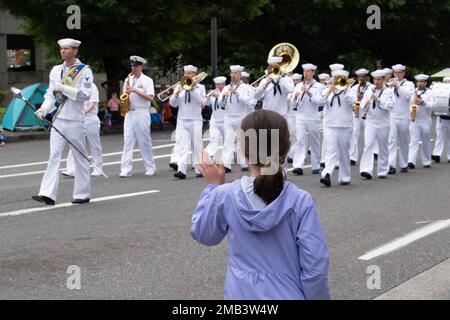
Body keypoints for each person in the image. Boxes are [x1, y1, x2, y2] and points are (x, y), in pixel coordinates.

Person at [191, 109, 330, 300]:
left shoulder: (226, 195)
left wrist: (213, 188)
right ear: (287, 146)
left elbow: (204, 235)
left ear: (243, 147)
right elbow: (315, 268)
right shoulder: (300, 200)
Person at [32, 38, 93, 205]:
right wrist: (44, 108)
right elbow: (51, 94)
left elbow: (85, 94)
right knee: (54, 156)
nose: (63, 51)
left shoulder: (84, 71)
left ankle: (82, 193)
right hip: (58, 119)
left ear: (75, 51)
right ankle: (47, 194)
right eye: (61, 49)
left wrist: (64, 88)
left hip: (75, 120)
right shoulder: (56, 70)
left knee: (78, 156)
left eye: (67, 49)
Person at [119, 56, 156, 177]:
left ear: (141, 67)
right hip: (130, 112)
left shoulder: (147, 80)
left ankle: (150, 167)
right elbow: (124, 95)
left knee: (144, 141)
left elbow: (150, 97)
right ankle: (126, 169)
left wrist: (135, 90)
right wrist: (125, 100)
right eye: (132, 66)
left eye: (135, 66)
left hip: (142, 112)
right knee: (127, 141)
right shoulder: (127, 79)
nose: (133, 68)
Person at [169, 65, 206, 179]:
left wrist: (192, 88)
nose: (187, 75)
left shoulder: (200, 87)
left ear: (195, 75)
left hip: (195, 120)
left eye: (189, 73)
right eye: (185, 73)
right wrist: (176, 93)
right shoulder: (179, 86)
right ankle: (182, 170)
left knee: (197, 145)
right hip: (182, 120)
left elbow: (202, 101)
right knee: (181, 145)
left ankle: (199, 169)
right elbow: (172, 104)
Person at [319, 69, 355, 187]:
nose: (337, 80)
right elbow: (318, 102)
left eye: (340, 78)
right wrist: (328, 92)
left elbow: (354, 102)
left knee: (344, 153)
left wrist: (345, 90)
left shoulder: (350, 91)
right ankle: (326, 174)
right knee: (331, 151)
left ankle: (345, 177)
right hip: (330, 125)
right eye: (335, 78)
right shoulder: (327, 90)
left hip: (345, 126)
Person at [360, 70, 395, 179]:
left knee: (383, 147)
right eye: (375, 79)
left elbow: (390, 106)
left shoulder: (388, 91)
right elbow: (361, 105)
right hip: (370, 121)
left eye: (379, 79)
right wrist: (364, 103)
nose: (376, 82)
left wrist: (378, 99)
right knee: (368, 145)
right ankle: (366, 170)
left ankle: (383, 170)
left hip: (383, 122)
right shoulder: (369, 91)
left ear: (383, 80)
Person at [63, 83, 103, 178]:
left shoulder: (92, 86)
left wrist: (81, 112)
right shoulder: (75, 86)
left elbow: (92, 104)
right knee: (74, 142)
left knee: (94, 145)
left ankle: (98, 168)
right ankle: (72, 169)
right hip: (78, 119)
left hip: (90, 118)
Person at [219, 65, 255, 173]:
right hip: (228, 117)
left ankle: (244, 162)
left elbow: (249, 102)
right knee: (228, 141)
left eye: (235, 73)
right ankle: (226, 164)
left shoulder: (246, 88)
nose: (233, 75)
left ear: (240, 75)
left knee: (241, 141)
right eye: (232, 73)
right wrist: (223, 96)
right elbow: (221, 104)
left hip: (241, 116)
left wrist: (237, 93)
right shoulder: (226, 88)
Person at [291, 63, 323, 175]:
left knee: (314, 142)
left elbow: (320, 102)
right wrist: (295, 97)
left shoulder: (319, 86)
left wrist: (309, 93)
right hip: (300, 116)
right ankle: (298, 166)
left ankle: (316, 165)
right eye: (305, 71)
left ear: (313, 73)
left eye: (309, 71)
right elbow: (293, 104)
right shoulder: (298, 85)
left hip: (313, 117)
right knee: (299, 141)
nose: (306, 73)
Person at [387, 64, 415, 174]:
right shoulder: (389, 83)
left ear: (403, 73)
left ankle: (404, 164)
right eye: (395, 72)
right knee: (391, 141)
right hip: (392, 116)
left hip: (404, 116)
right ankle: (391, 165)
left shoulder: (409, 84)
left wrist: (397, 86)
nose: (397, 74)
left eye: (399, 72)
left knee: (403, 141)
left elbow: (409, 96)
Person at [407, 74, 436, 169]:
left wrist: (423, 103)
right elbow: (408, 104)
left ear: (426, 83)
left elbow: (434, 105)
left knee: (425, 140)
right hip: (414, 119)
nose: (420, 83)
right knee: (414, 140)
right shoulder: (413, 92)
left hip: (425, 120)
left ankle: (426, 161)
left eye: (422, 82)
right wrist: (411, 111)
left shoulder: (431, 93)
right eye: (419, 82)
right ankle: (411, 161)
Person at [350, 68, 374, 166]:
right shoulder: (354, 87)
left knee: (370, 136)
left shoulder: (372, 87)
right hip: (356, 113)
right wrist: (355, 102)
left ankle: (373, 154)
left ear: (367, 77)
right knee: (354, 133)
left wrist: (362, 100)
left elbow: (371, 99)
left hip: (368, 114)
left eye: (363, 77)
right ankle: (352, 157)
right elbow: (351, 99)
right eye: (359, 77)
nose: (360, 79)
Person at [205, 76, 227, 162]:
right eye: (217, 84)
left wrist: (219, 96)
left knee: (227, 141)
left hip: (225, 120)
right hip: (214, 120)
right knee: (213, 139)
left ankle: (226, 158)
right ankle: (210, 155)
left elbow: (225, 104)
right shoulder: (213, 93)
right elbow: (205, 103)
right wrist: (207, 97)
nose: (218, 86)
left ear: (224, 84)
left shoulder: (227, 92)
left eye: (220, 84)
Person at [432, 76, 450, 163]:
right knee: (439, 137)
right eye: (445, 82)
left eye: (449, 82)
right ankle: (437, 154)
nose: (447, 83)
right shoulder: (439, 92)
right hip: (441, 118)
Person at [286, 73, 303, 163]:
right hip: (291, 115)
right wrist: (293, 96)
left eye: (297, 80)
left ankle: (296, 155)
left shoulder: (303, 88)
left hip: (300, 115)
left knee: (299, 136)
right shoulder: (289, 89)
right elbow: (287, 100)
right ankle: (291, 154)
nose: (295, 82)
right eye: (294, 80)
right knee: (291, 135)